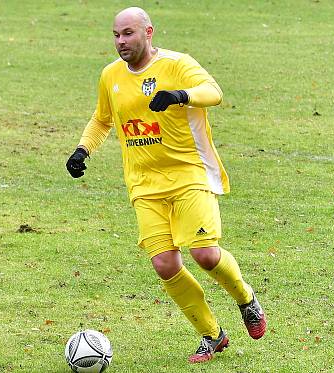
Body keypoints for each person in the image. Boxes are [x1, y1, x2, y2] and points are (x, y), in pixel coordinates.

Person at [65, 7, 266, 364]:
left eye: (128, 33)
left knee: (204, 253)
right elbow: (102, 119)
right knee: (164, 264)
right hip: (144, 185)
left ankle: (246, 298)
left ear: (148, 32)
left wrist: (180, 96)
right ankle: (211, 335)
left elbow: (213, 92)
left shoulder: (176, 64)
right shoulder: (110, 75)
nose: (120, 42)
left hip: (189, 175)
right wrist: (82, 150)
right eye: (116, 35)